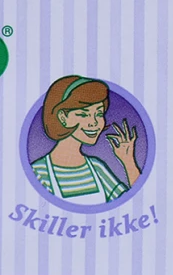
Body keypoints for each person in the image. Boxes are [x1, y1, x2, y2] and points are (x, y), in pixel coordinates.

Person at [31, 76, 141, 204]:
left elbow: (134, 204)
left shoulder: (96, 167)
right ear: (63, 117)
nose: (94, 123)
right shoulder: (39, 172)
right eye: (83, 114)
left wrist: (128, 162)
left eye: (99, 114)